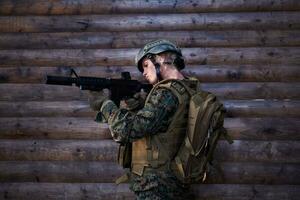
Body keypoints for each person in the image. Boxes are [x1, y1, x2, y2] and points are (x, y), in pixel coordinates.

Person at [89, 39, 198, 200]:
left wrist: (105, 105)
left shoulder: (166, 93)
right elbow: (165, 128)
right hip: (174, 181)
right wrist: (138, 106)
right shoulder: (189, 88)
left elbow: (127, 131)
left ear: (160, 58)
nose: (144, 73)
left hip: (157, 186)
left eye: (146, 65)